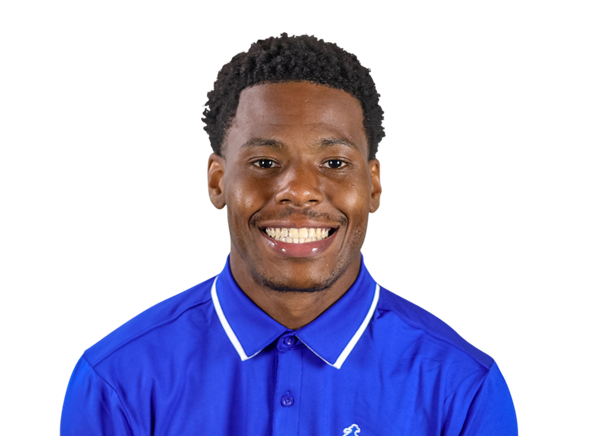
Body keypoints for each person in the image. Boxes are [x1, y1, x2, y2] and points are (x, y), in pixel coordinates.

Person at [60, 33, 518, 435]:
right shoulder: (115, 381)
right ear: (218, 182)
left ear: (374, 185)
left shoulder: (464, 388)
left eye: (334, 163)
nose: (298, 191)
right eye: (264, 162)